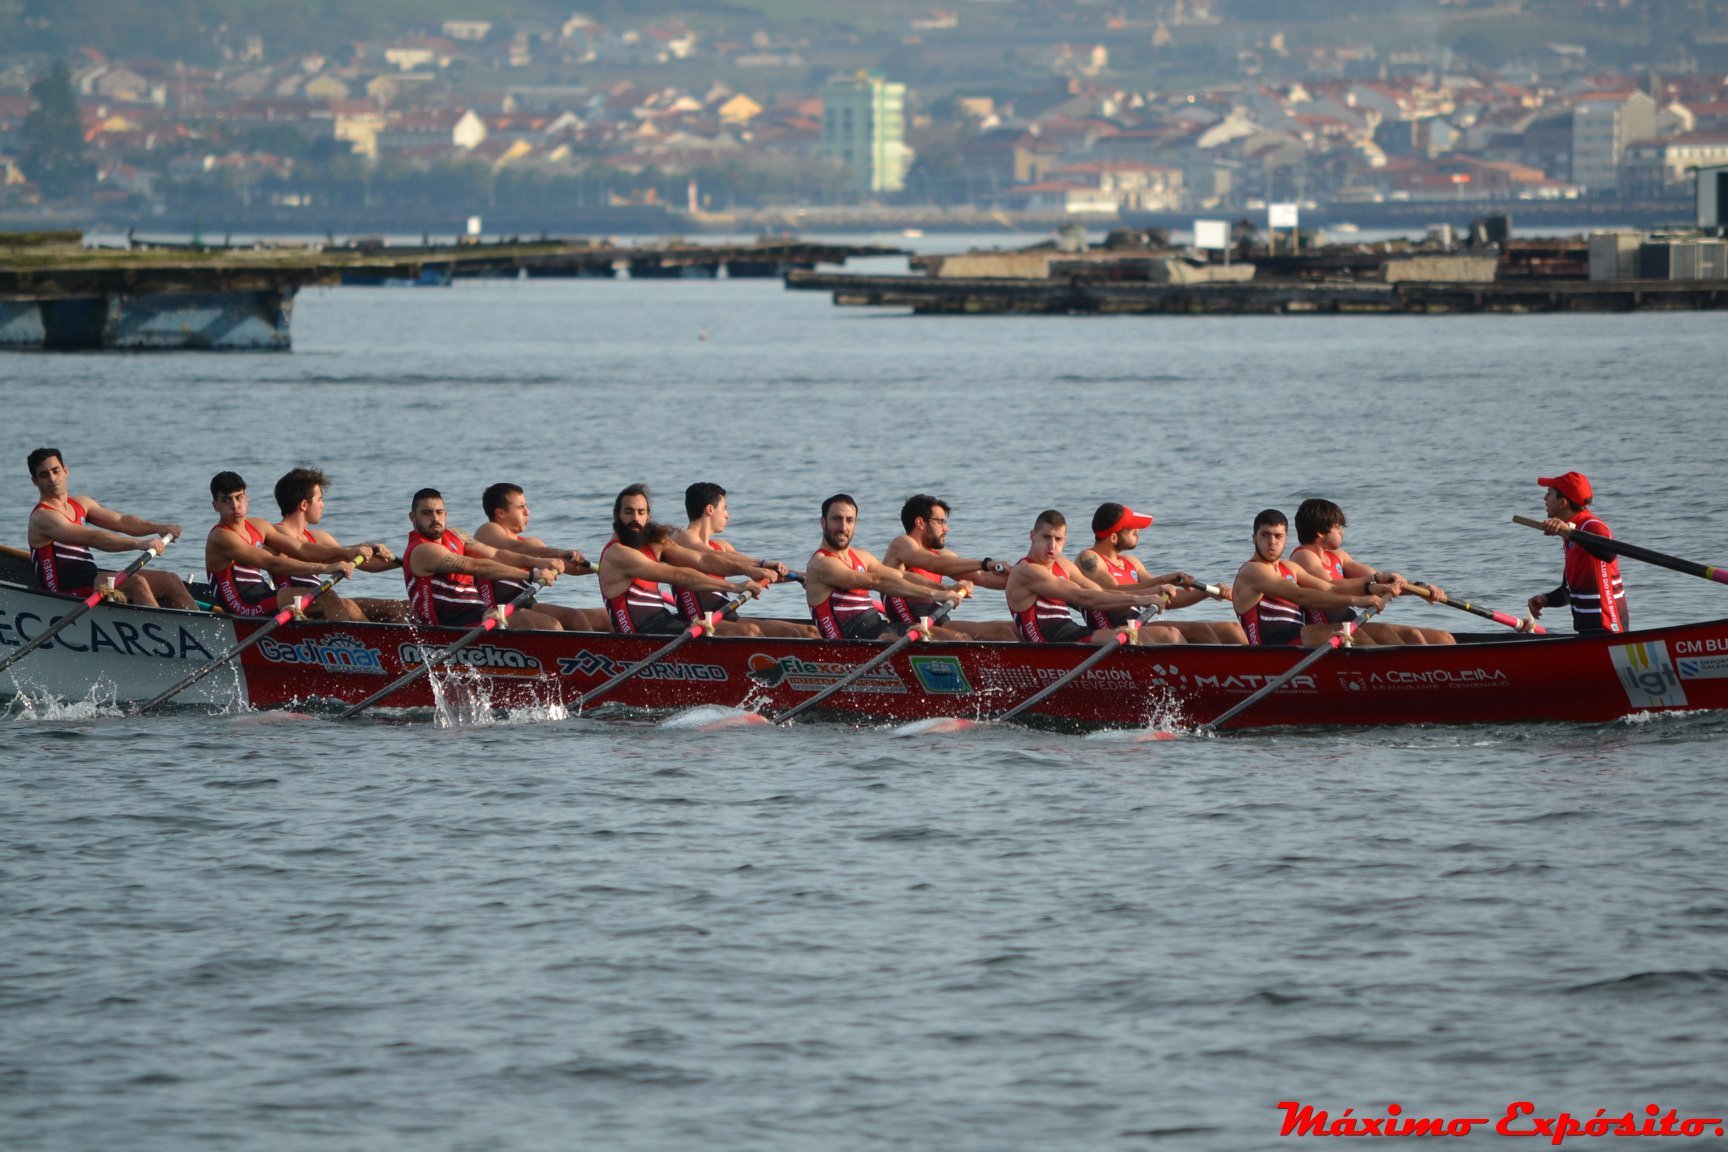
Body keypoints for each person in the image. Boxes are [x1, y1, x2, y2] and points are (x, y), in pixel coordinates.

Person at [25, 446, 196, 609]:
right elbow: (94, 538)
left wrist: (157, 527)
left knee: (171, 580)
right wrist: (140, 544)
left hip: (92, 579)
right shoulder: (43, 517)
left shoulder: (81, 503)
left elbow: (122, 521)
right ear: (35, 481)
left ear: (65, 470)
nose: (52, 478)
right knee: (137, 582)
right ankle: (161, 635)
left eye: (55, 471)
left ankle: (196, 629)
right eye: (44, 475)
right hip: (65, 591)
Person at [601, 484, 764, 636]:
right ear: (617, 514)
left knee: (766, 630)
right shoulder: (616, 553)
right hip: (640, 637)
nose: (635, 518)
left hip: (664, 625)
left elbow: (703, 559)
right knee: (747, 631)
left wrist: (752, 567)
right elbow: (678, 576)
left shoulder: (655, 544)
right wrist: (735, 587)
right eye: (629, 512)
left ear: (648, 516)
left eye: (641, 512)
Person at [1288, 498, 1453, 645]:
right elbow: (1332, 585)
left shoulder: (1340, 556)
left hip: (1350, 622)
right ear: (1320, 532)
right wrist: (1374, 582)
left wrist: (1420, 589)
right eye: (1338, 527)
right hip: (1322, 631)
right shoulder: (1303, 555)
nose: (1342, 532)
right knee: (1385, 632)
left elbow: (1381, 582)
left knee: (1436, 637)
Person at [1075, 502, 1246, 644]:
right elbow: (1113, 590)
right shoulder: (1088, 558)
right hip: (1115, 632)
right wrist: (1164, 580)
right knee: (1196, 631)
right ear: (1113, 537)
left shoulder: (1131, 562)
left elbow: (1166, 599)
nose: (1138, 531)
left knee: (1233, 629)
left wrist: (1205, 593)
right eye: (1131, 528)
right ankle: (1212, 678)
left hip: (1142, 624)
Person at [804, 493, 966, 641]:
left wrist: (945, 587)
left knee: (956, 637)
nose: (843, 527)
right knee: (924, 640)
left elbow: (901, 576)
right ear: (823, 522)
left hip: (879, 629)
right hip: (851, 643)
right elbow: (877, 581)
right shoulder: (821, 563)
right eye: (836, 519)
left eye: (849, 520)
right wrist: (935, 594)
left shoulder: (861, 556)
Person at [205, 471, 366, 618]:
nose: (235, 506)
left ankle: (366, 644)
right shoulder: (221, 537)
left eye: (239, 497)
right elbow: (272, 563)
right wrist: (325, 568)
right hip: (242, 605)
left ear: (246, 499)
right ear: (215, 506)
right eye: (226, 500)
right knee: (326, 597)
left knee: (348, 607)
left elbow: (301, 548)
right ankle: (345, 646)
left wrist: (347, 553)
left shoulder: (258, 525)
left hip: (264, 595)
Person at [1005, 509, 1179, 644]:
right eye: (1046, 537)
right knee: (1134, 639)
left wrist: (1150, 593)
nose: (1052, 545)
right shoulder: (1026, 571)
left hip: (1071, 635)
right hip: (1048, 646)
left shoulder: (1063, 565)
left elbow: (1100, 591)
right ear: (1032, 536)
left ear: (1065, 541)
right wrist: (1139, 600)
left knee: (1164, 634)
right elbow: (1083, 598)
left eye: (1058, 539)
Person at [402, 487, 564, 630]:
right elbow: (477, 566)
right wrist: (531, 576)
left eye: (439, 512)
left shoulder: (457, 534)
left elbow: (496, 554)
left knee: (547, 623)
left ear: (446, 514)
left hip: (476, 613)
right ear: (413, 517)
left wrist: (539, 561)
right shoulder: (422, 549)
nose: (435, 519)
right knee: (520, 619)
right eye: (426, 513)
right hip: (445, 625)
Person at [674, 482, 815, 638]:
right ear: (709, 509)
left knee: (807, 632)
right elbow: (712, 557)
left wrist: (802, 576)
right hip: (698, 623)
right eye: (724, 508)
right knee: (750, 632)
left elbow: (758, 572)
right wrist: (760, 564)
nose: (727, 515)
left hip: (728, 619)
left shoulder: (722, 546)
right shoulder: (681, 537)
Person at [1232, 509, 1389, 647]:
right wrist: (1356, 600)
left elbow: (1331, 588)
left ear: (1286, 539)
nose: (1272, 542)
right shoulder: (1252, 570)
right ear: (1254, 538)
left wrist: (1370, 588)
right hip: (1273, 649)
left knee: (1379, 631)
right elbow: (1301, 596)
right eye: (1265, 535)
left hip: (1300, 640)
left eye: (1278, 536)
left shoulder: (1290, 568)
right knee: (1354, 634)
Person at [273, 467, 408, 624]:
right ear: (304, 504)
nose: (323, 505)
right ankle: (368, 646)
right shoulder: (278, 533)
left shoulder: (318, 537)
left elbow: (361, 562)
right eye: (319, 499)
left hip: (319, 599)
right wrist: (349, 552)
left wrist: (404, 562)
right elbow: (304, 549)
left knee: (394, 606)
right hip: (293, 603)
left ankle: (407, 647)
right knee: (347, 605)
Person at [472, 482, 606, 632]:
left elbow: (569, 567)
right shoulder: (487, 531)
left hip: (526, 604)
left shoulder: (532, 544)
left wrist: (606, 568)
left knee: (588, 616)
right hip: (497, 609)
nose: (527, 511)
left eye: (526, 506)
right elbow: (513, 547)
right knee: (550, 624)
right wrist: (558, 552)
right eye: (520, 507)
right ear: (501, 513)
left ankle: (599, 654)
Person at [881, 494, 1017, 641]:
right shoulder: (901, 544)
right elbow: (934, 563)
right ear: (920, 523)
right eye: (941, 522)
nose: (946, 528)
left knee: (1008, 631)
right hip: (907, 623)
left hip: (935, 617)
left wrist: (1022, 578)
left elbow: (982, 577)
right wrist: (986, 564)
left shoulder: (941, 554)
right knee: (961, 639)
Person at [1527, 471, 1628, 634]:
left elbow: (1609, 554)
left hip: (1608, 626)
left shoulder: (1592, 525)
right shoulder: (1570, 533)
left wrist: (1571, 533)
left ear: (1563, 503)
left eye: (1549, 493)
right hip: (1588, 628)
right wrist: (1546, 600)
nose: (1544, 499)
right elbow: (1568, 592)